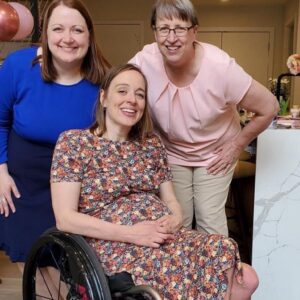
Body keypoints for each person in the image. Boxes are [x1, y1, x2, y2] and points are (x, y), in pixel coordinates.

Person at [50, 63, 259, 299]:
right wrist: (132, 233)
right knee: (179, 272)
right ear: (104, 98)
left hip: (162, 236)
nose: (132, 100)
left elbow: (170, 200)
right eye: (122, 91)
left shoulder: (151, 144)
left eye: (140, 94)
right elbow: (65, 219)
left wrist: (175, 218)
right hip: (114, 243)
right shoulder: (74, 143)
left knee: (226, 253)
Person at [129, 0, 279, 236]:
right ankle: (184, 273)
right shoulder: (144, 61)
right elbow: (122, 93)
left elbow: (270, 107)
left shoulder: (220, 68)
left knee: (209, 219)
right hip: (172, 151)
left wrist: (237, 145)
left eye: (179, 28)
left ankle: (219, 272)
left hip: (215, 153)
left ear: (194, 31)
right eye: (163, 28)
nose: (171, 37)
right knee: (178, 221)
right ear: (154, 32)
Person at [0, 0, 110, 283]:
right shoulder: (17, 66)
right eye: (58, 29)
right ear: (46, 34)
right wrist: (0, 171)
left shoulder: (104, 82)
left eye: (77, 30)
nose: (67, 38)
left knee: (71, 270)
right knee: (30, 261)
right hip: (22, 187)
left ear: (89, 35)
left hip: (76, 189)